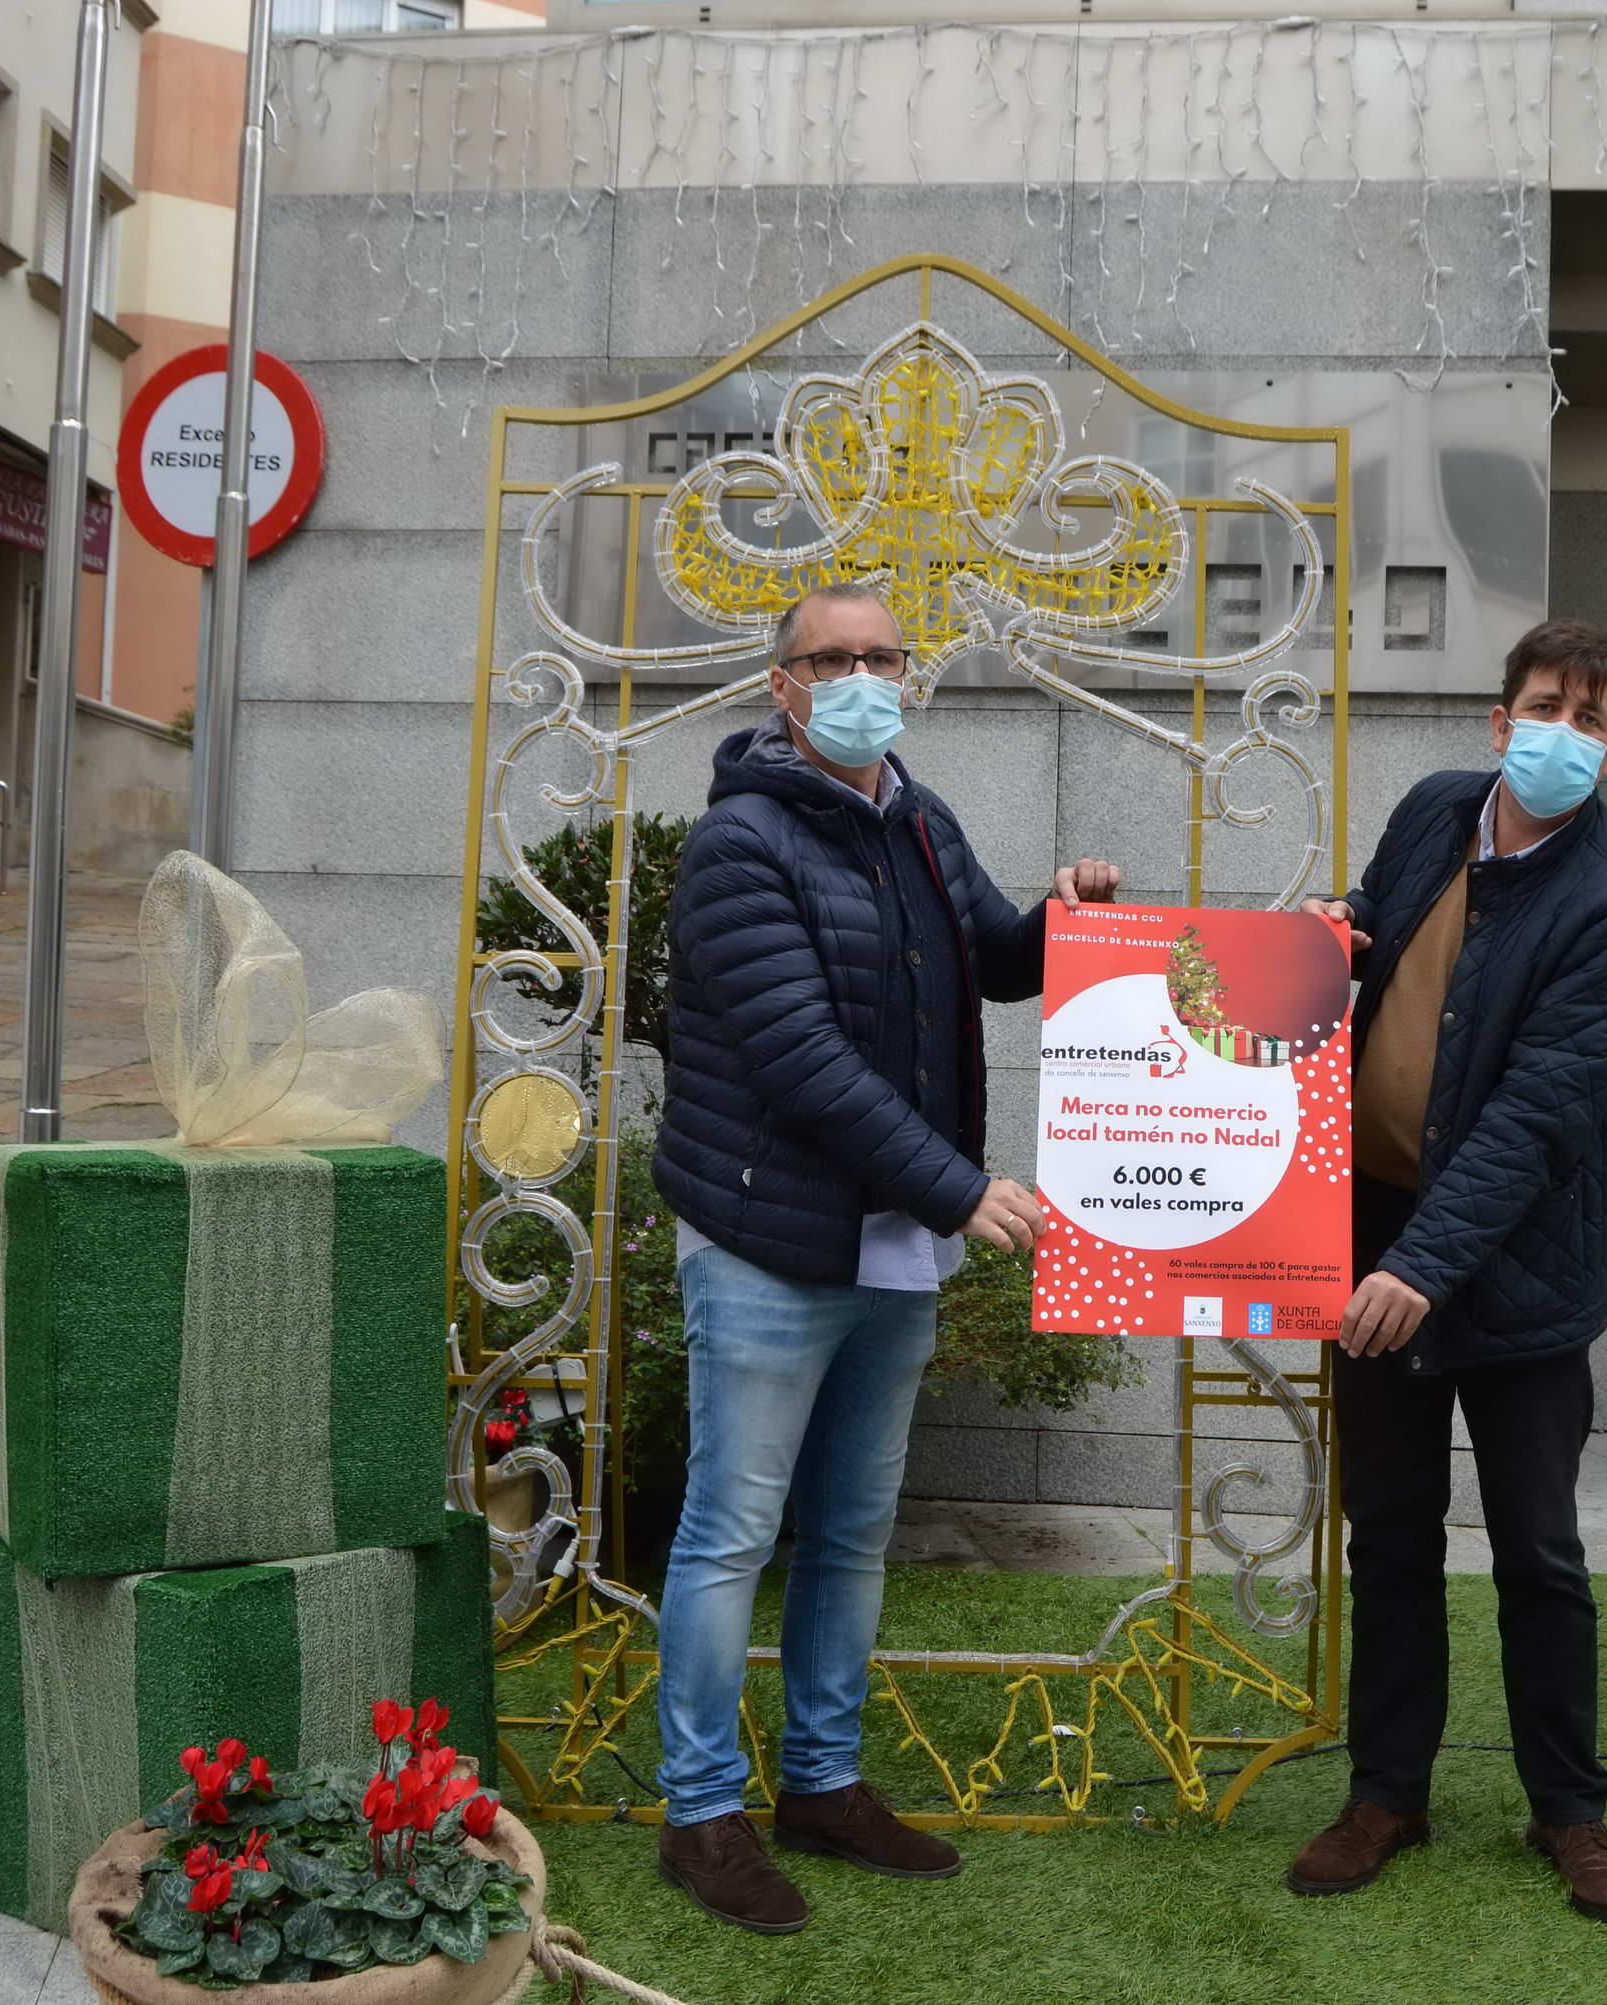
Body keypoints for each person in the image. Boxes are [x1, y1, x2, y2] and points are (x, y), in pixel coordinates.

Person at [646, 580, 1120, 1936]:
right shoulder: (740, 842)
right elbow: (801, 1062)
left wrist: (1064, 916)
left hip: (887, 1246)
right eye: (830, 657)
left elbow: (991, 956)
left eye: (881, 655)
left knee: (852, 1533)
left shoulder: (916, 815)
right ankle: (701, 1810)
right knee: (731, 1531)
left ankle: (822, 1782)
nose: (861, 674)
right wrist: (960, 1188)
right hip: (767, 1240)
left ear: (907, 675)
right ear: (782, 685)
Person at [1285, 619, 1607, 1923]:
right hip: (1370, 1233)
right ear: (1499, 719)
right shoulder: (1435, 811)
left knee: (1539, 1551)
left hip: (1512, 1271)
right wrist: (1322, 943)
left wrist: (1428, 1267)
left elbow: (1539, 1113)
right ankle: (1387, 1790)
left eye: (1591, 715)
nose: (1563, 729)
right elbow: (1372, 934)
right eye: (1544, 703)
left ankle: (1570, 1808)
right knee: (1388, 1533)